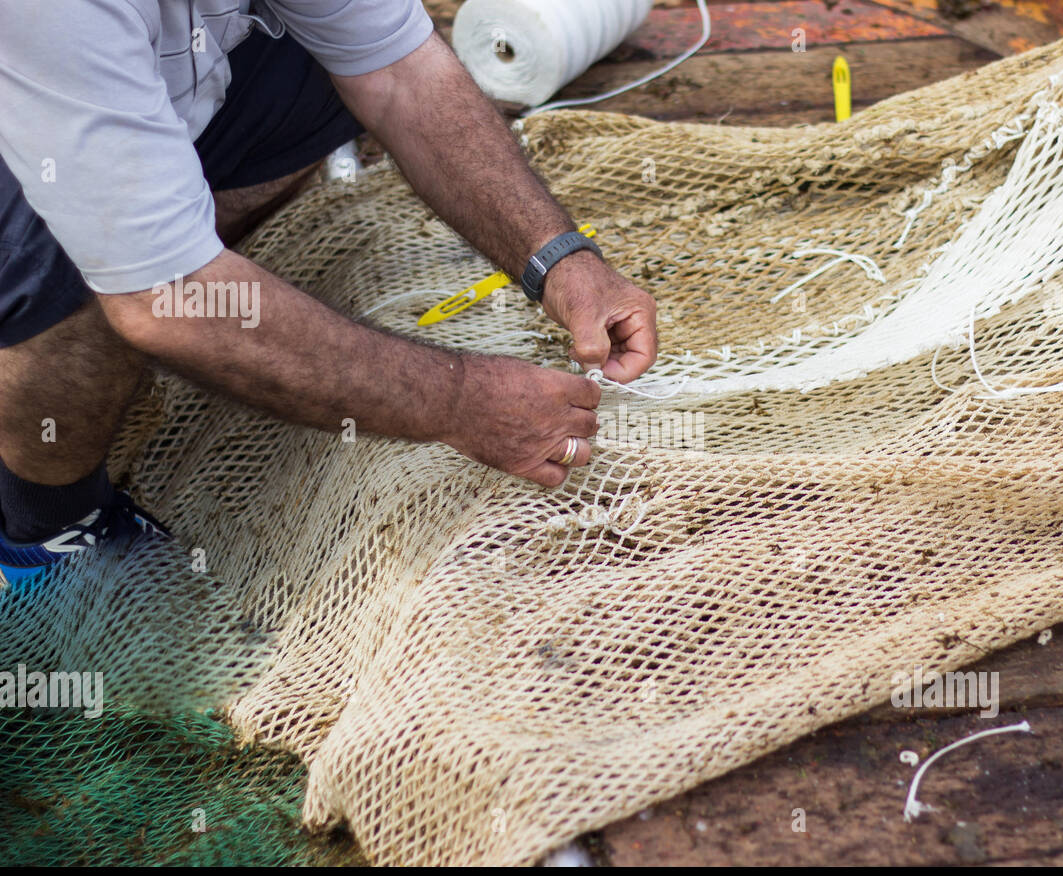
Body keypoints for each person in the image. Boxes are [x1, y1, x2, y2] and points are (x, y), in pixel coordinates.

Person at [0, 0, 657, 587]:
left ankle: (186, 275)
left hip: (117, 90)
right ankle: (48, 529)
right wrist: (463, 402)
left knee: (312, 72)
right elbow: (163, 294)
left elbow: (403, 77)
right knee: (97, 288)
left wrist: (559, 258)